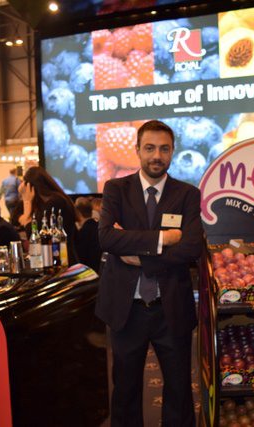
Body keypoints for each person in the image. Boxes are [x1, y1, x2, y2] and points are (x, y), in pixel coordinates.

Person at [96, 120, 204, 426]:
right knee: (125, 390)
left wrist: (140, 257)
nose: (157, 155)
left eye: (164, 149)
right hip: (126, 309)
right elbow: (106, 237)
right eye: (150, 148)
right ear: (138, 151)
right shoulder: (116, 189)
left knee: (180, 390)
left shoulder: (187, 194)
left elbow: (192, 247)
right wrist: (162, 239)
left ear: (172, 151)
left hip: (171, 308)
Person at [11, 166, 79, 265]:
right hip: (58, 259)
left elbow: (34, 237)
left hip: (61, 261)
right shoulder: (51, 201)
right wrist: (24, 199)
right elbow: (14, 219)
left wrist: (27, 203)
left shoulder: (55, 203)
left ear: (31, 188)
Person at [74, 197, 101, 272]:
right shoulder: (99, 227)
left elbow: (80, 260)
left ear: (78, 213)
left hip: (89, 273)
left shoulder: (83, 233)